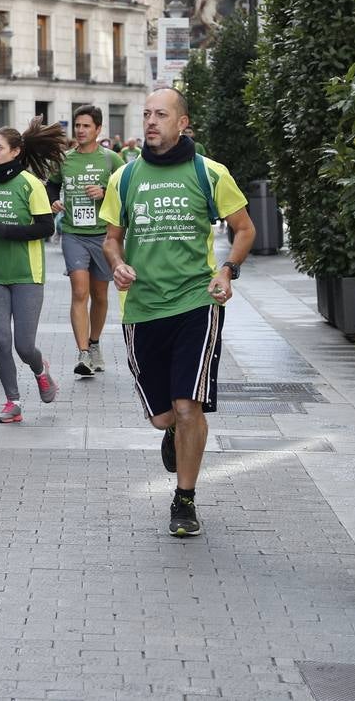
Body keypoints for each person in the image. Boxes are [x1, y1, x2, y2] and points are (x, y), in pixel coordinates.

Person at [102, 88, 253, 537]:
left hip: (195, 302)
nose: (150, 121)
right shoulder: (125, 178)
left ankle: (184, 499)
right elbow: (112, 237)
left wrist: (227, 271)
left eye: (160, 114)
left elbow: (244, 229)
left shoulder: (210, 173)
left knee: (188, 407)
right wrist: (118, 263)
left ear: (182, 123)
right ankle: (172, 432)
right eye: (146, 114)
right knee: (163, 416)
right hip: (143, 306)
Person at [0, 118, 65, 424]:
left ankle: (40, 370)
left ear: (15, 151)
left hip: (27, 274)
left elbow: (46, 226)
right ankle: (13, 401)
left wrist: (9, 231)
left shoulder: (31, 184)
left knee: (24, 346)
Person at [46, 106, 124, 378]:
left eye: (86, 126)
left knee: (100, 295)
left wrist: (105, 191)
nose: (80, 130)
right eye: (77, 125)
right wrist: (53, 200)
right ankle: (82, 354)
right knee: (80, 292)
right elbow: (52, 185)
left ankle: (94, 343)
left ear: (98, 129)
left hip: (103, 236)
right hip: (73, 233)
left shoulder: (111, 160)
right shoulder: (65, 159)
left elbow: (125, 190)